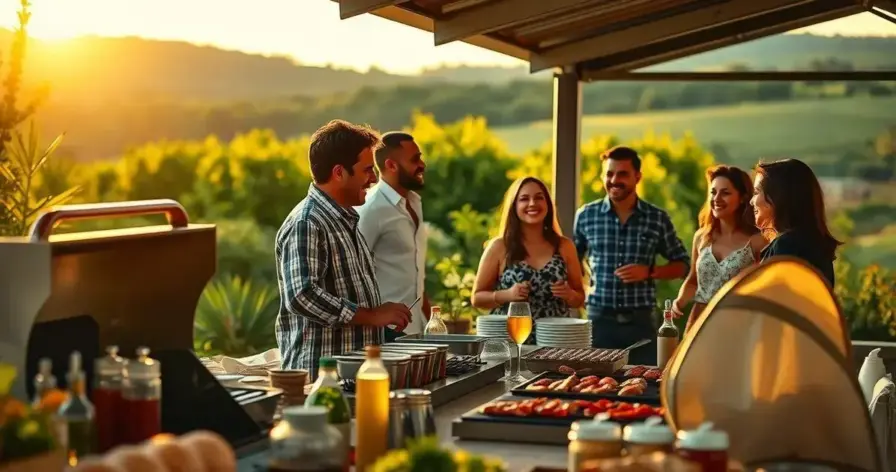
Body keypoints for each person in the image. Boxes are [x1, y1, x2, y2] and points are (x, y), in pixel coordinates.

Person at [274, 119, 412, 378]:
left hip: (354, 373)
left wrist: (382, 323)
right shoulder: (308, 221)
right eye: (367, 170)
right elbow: (301, 295)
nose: (374, 178)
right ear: (339, 172)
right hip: (321, 379)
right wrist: (371, 316)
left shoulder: (345, 218)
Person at [573, 146, 690, 365]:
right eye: (609, 174)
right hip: (598, 322)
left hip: (641, 323)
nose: (614, 180)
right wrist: (582, 290)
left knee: (643, 384)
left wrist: (649, 271)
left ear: (638, 177)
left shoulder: (657, 218)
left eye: (622, 174)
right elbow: (571, 260)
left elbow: (683, 265)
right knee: (593, 384)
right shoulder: (586, 215)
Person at [472, 176, 586, 341]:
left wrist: (568, 294)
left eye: (539, 198)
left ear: (548, 204)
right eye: (524, 199)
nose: (532, 203)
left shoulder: (565, 246)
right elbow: (477, 298)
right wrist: (507, 295)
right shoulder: (499, 246)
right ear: (514, 206)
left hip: (555, 341)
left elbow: (579, 298)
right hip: (510, 339)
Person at [671, 165, 766, 332]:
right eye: (713, 192)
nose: (717, 198)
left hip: (738, 326)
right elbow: (693, 281)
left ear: (743, 198)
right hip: (699, 324)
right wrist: (679, 301)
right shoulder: (701, 237)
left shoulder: (758, 241)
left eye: (726, 193)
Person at [356, 132, 431, 341]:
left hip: (417, 329)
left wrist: (431, 317)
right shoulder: (371, 210)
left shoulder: (414, 201)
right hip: (384, 335)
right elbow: (353, 273)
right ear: (391, 165)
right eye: (415, 159)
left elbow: (414, 273)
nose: (422, 165)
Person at [751, 158, 840, 287]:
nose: (751, 201)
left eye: (756, 192)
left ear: (778, 197)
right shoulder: (814, 244)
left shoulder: (786, 247)